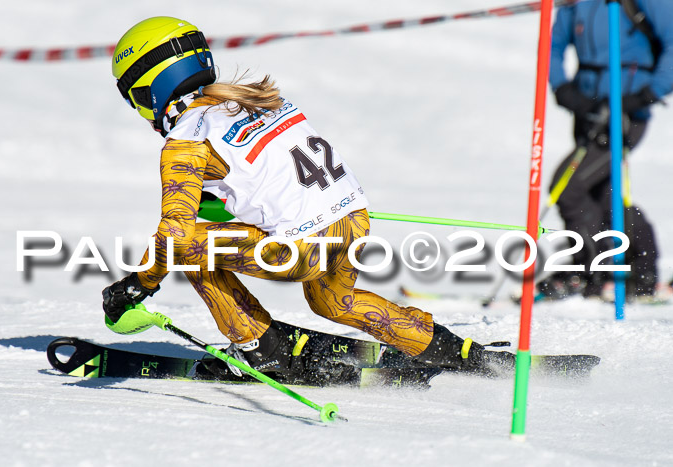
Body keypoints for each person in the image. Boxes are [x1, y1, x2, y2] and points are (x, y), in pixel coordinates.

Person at [101, 17, 490, 380]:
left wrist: (138, 285)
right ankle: (444, 350)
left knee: (187, 247)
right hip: (354, 222)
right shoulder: (256, 101)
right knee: (333, 302)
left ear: (148, 89)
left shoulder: (186, 138)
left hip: (302, 248)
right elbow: (262, 178)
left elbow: (174, 235)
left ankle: (259, 349)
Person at [539, 0, 673, 301]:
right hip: (588, 112)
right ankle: (640, 269)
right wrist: (563, 89)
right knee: (603, 193)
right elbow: (552, 45)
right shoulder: (575, 4)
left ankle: (589, 273)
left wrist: (648, 94)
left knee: (569, 186)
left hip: (626, 114)